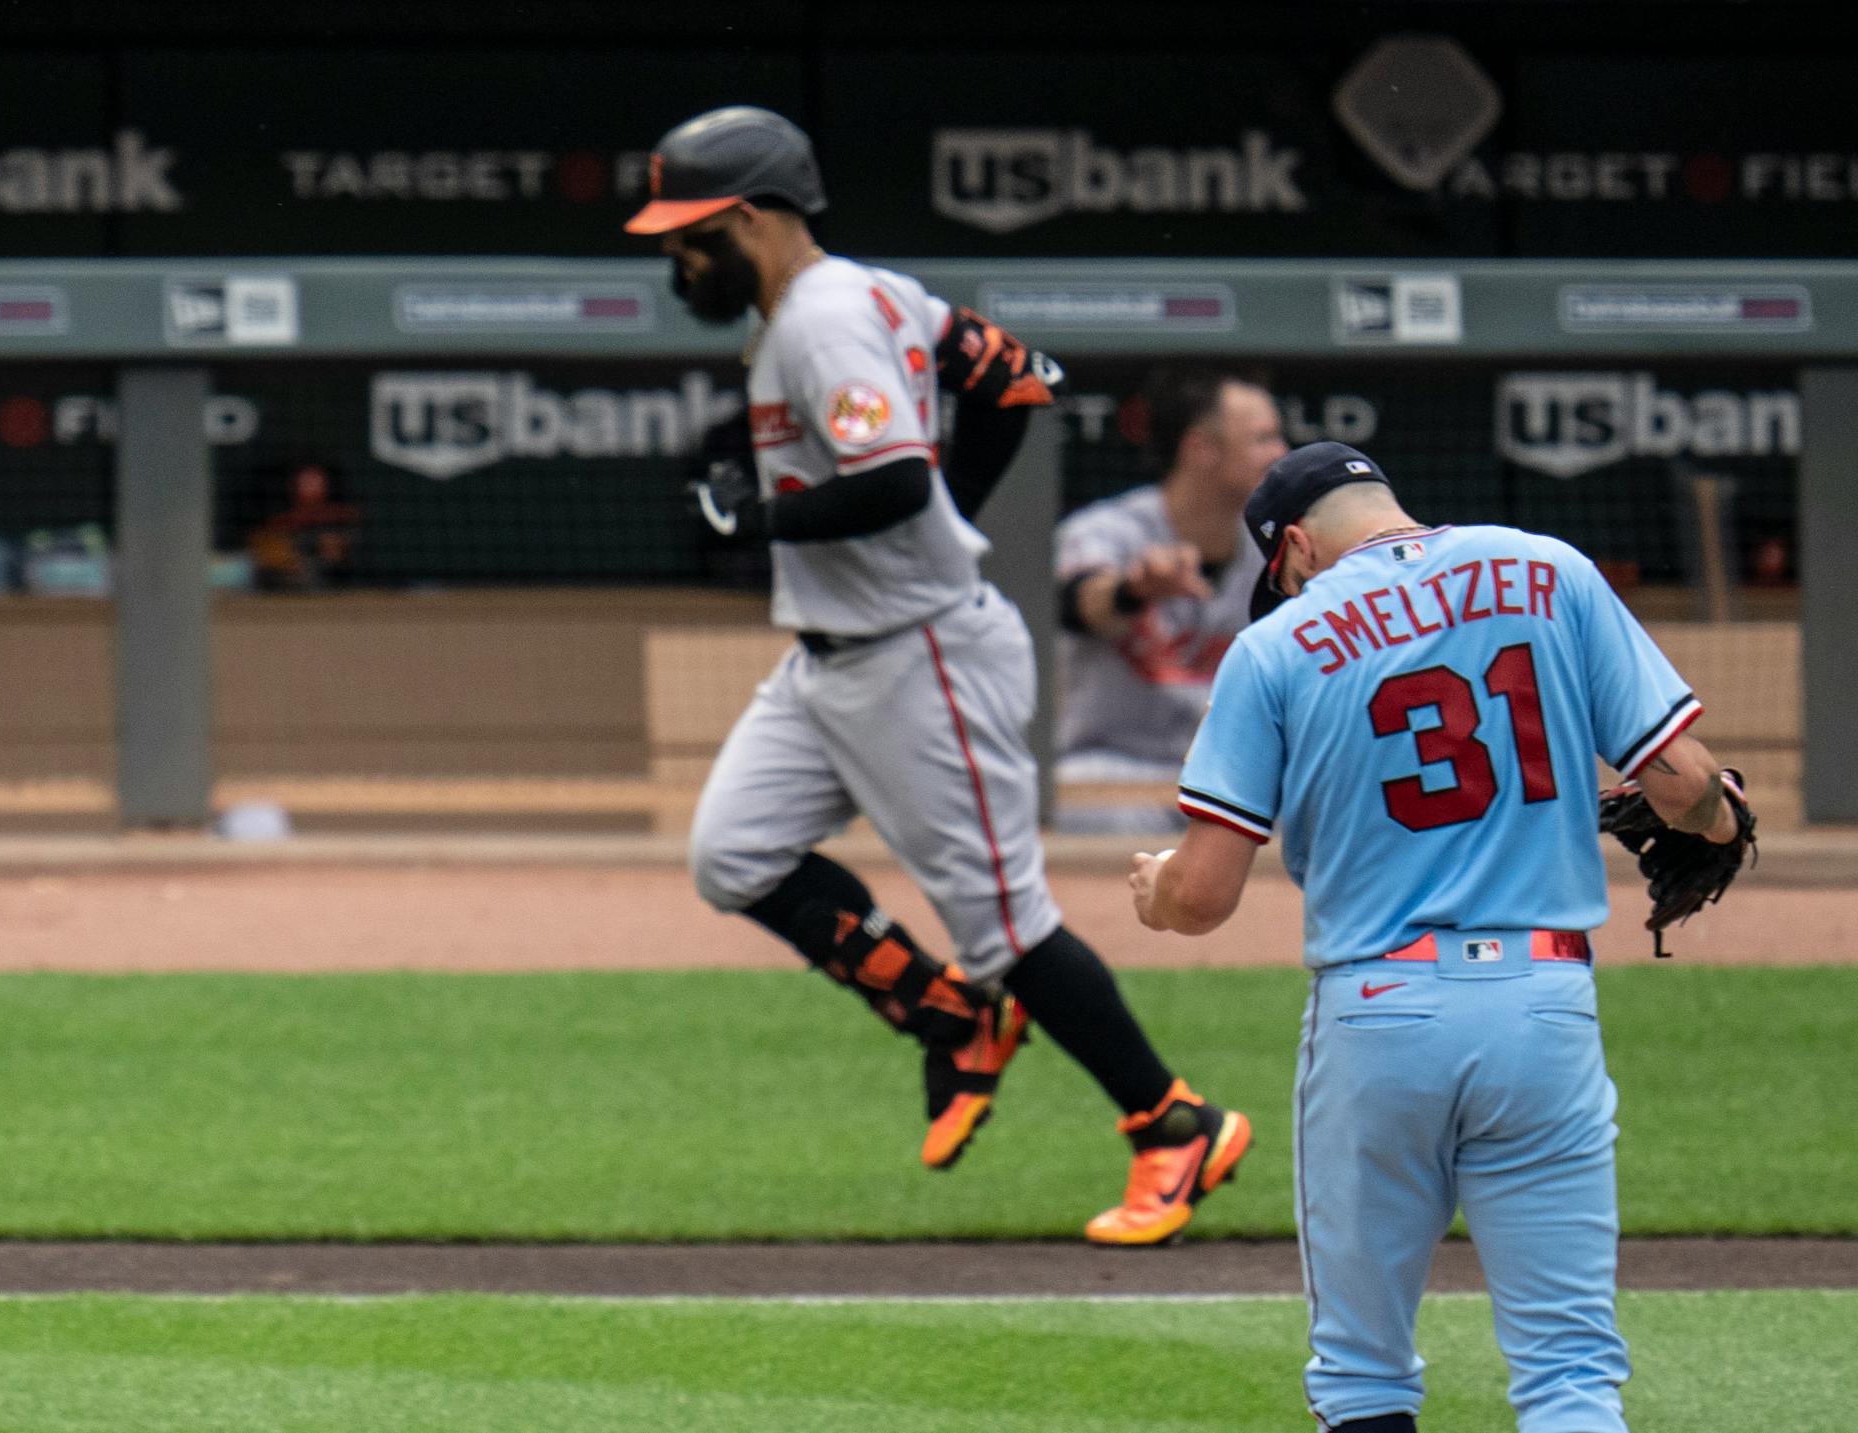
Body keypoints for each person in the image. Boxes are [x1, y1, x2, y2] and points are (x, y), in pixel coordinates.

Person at [629, 104, 1249, 1244]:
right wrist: (931, 507)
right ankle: (952, 1020)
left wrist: (763, 515)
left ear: (756, 216)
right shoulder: (862, 294)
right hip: (834, 654)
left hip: (921, 656)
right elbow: (1014, 377)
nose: (676, 255)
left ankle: (1175, 1124)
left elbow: (900, 486)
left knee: (1007, 923)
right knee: (734, 853)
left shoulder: (821, 322)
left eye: (691, 231)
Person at [1129, 442, 1752, 1430]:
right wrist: (1720, 820)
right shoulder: (1551, 569)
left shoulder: (1278, 642)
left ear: (1293, 544)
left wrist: (1156, 890)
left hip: (1380, 1012)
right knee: (1571, 1372)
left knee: (1363, 1373)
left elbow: (1204, 896)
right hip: (1544, 1004)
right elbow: (1681, 785)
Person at [1054, 370, 1286, 833]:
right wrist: (1131, 590)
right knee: (1079, 802)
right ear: (1202, 448)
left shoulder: (1279, 547)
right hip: (1114, 768)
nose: (1280, 454)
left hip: (1231, 773)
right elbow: (1079, 605)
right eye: (1262, 439)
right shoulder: (1109, 531)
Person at [247, 461, 360, 591]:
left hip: (332, 578)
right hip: (290, 576)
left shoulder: (341, 514)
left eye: (316, 481)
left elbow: (343, 546)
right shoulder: (282, 519)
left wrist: (335, 543)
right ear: (294, 485)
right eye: (306, 482)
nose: (312, 487)